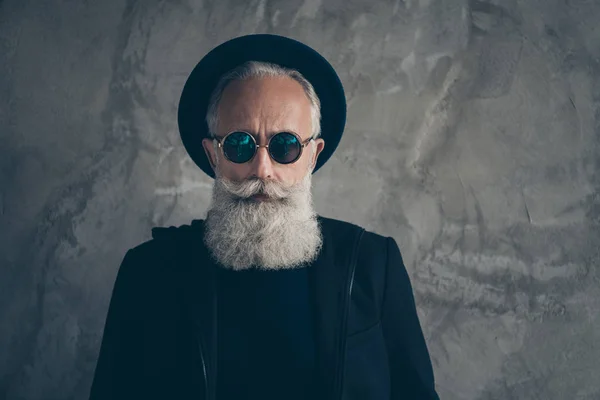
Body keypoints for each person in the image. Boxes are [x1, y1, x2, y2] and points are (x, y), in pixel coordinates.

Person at [89, 34, 440, 400]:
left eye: (284, 146)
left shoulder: (371, 265)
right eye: (240, 145)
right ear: (213, 155)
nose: (262, 169)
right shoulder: (148, 272)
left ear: (312, 155)